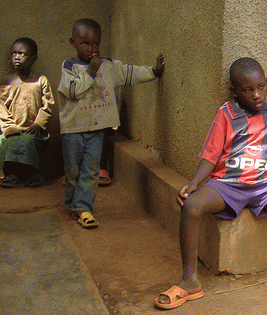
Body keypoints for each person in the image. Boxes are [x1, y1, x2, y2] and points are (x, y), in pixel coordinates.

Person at [155, 57, 267, 310]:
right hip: (227, 185)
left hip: (263, 185)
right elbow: (210, 157)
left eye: (261, 87)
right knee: (191, 206)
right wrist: (193, 183)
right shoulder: (225, 114)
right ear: (234, 91)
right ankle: (190, 280)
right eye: (248, 89)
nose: (256, 94)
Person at [58, 18, 164, 229]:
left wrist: (154, 71)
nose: (91, 49)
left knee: (90, 170)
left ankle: (83, 207)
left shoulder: (108, 66)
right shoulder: (69, 67)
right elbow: (73, 91)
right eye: (85, 43)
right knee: (72, 172)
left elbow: (130, 73)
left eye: (95, 44)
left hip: (96, 130)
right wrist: (91, 73)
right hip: (73, 130)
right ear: (73, 42)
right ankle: (72, 203)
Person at [0, 37, 54, 188]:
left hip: (34, 129)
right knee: (9, 142)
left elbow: (48, 104)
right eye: (13, 53)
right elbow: (1, 106)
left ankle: (33, 173)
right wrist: (8, 125)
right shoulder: (8, 80)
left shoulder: (40, 80)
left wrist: (39, 123)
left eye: (22, 54)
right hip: (13, 128)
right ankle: (11, 174)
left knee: (29, 142)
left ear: (33, 59)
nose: (16, 57)